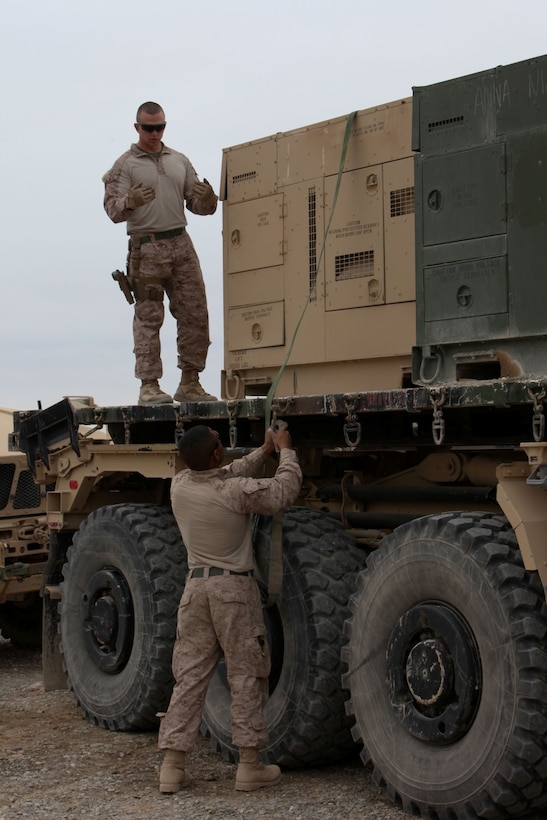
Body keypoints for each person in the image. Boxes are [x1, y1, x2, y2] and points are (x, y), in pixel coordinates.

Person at [158, 423, 302, 794]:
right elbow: (284, 491)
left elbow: (226, 473)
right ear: (217, 454)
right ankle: (250, 766)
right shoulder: (234, 493)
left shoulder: (180, 486)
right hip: (233, 591)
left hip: (196, 591)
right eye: (220, 445)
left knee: (189, 677)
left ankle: (172, 767)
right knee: (247, 674)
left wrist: (263, 451)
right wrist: (286, 451)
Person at [102, 101, 218, 406]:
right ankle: (149, 386)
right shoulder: (125, 165)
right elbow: (112, 210)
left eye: (160, 127)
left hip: (180, 241)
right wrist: (130, 200)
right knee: (149, 316)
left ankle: (190, 382)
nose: (155, 133)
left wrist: (208, 200)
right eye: (149, 128)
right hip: (147, 246)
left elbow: (197, 203)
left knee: (195, 312)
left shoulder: (179, 160)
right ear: (137, 128)